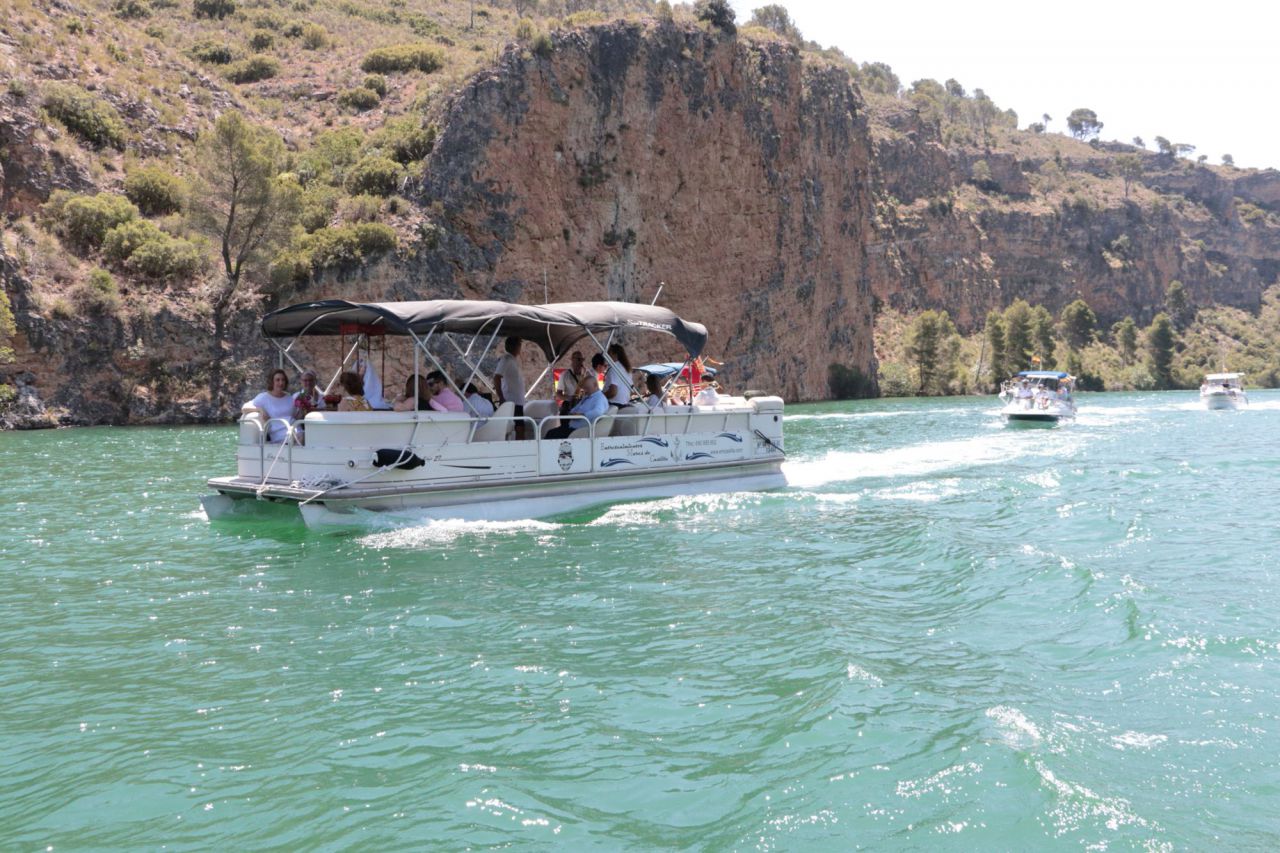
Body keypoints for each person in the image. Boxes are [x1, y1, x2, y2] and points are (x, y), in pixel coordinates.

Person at [544, 374, 608, 439]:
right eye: (584, 388)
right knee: (551, 432)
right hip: (573, 427)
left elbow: (598, 412)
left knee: (551, 434)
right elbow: (576, 408)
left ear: (595, 385)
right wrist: (572, 413)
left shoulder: (599, 398)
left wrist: (582, 415)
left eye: (587, 388)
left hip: (581, 430)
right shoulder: (587, 397)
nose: (585, 391)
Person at [247, 368, 295, 443]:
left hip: (294, 428)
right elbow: (244, 408)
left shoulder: (289, 397)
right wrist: (260, 410)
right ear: (272, 382)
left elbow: (294, 416)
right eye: (277, 380)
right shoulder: (264, 397)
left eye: (283, 380)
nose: (281, 383)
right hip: (279, 434)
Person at [494, 336, 527, 439]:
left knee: (519, 427)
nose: (520, 347)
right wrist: (501, 397)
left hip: (517, 401)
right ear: (514, 346)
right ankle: (519, 448)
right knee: (519, 427)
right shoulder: (506, 359)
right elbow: (497, 377)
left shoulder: (512, 360)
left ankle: (519, 446)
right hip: (511, 401)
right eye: (519, 344)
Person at [604, 343, 635, 408]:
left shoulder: (614, 369)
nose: (607, 355)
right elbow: (632, 390)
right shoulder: (627, 369)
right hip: (624, 404)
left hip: (614, 404)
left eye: (609, 353)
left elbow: (613, 392)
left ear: (615, 355)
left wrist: (601, 396)